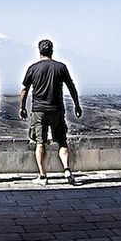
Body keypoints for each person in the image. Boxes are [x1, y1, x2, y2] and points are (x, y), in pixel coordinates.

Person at [20, 38, 81, 185]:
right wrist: (77, 105)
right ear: (52, 51)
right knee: (62, 142)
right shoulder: (61, 67)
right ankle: (67, 170)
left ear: (39, 51)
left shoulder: (33, 68)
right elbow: (71, 87)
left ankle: (43, 176)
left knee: (40, 143)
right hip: (57, 109)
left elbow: (24, 89)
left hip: (39, 110)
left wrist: (22, 106)